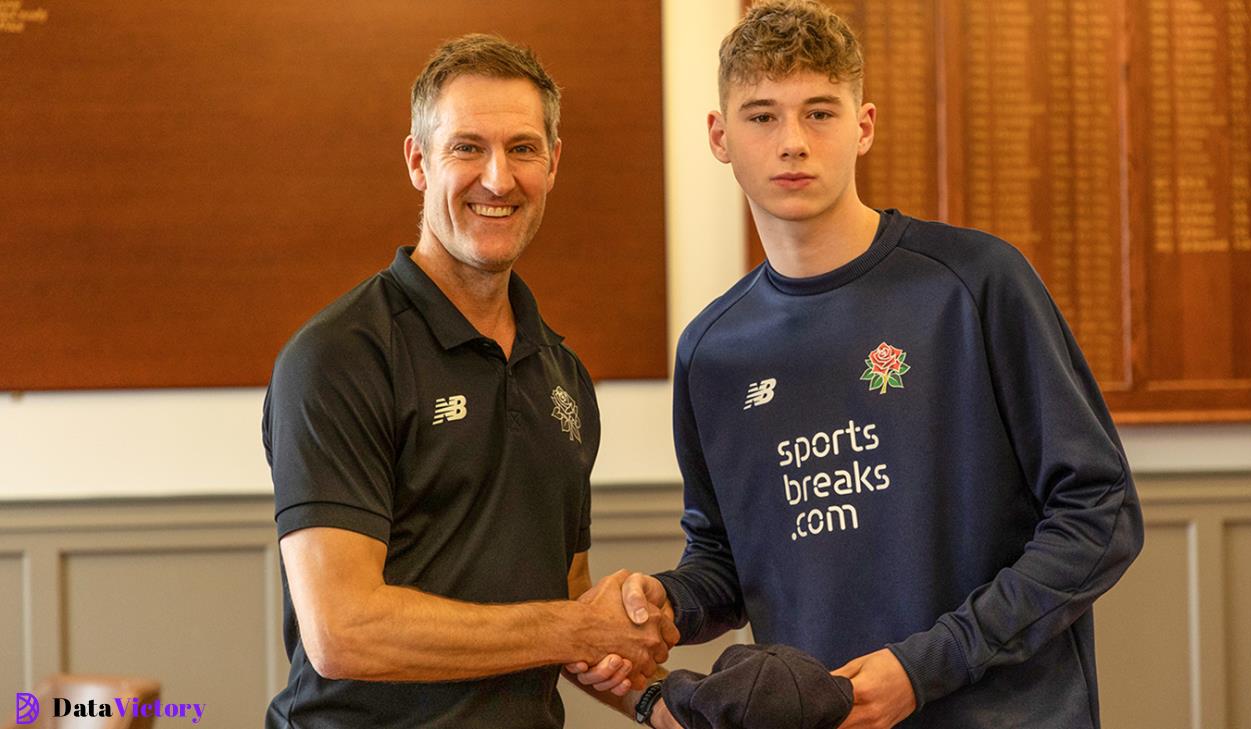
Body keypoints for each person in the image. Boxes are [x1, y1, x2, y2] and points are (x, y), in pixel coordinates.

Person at [573, 2, 1144, 727]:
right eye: (761, 116)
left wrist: (928, 664)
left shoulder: (976, 283)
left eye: (819, 113)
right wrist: (668, 603)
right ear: (719, 136)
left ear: (864, 125)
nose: (792, 143)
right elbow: (727, 558)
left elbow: (1100, 514)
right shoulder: (712, 349)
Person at [262, 34, 675, 729]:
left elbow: (564, 604)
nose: (498, 178)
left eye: (522, 148)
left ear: (554, 162)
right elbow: (343, 629)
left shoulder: (564, 375)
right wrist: (578, 627)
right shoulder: (339, 355)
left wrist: (660, 696)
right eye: (466, 148)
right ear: (418, 161)